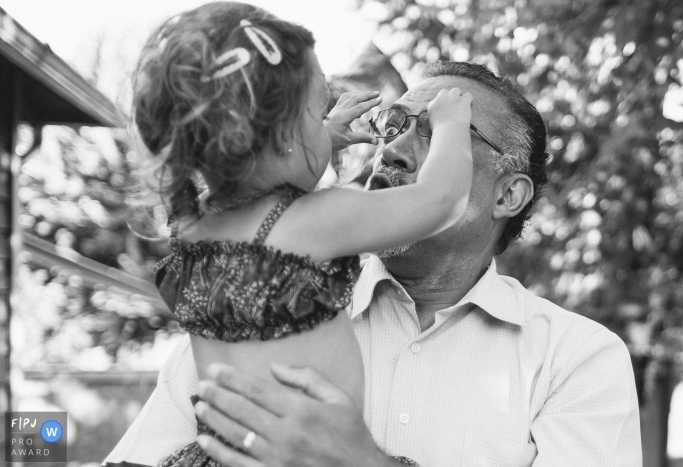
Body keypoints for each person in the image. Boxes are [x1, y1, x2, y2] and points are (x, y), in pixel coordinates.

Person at [105, 61, 643, 467]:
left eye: (434, 131)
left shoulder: (577, 359)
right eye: (393, 124)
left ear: (509, 195)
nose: (391, 150)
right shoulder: (258, 305)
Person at [119, 1, 477, 467]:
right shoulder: (313, 221)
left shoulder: (190, 226)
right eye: (317, 112)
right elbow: (441, 200)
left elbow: (274, 175)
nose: (326, 124)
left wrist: (323, 135)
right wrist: (451, 124)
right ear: (284, 136)